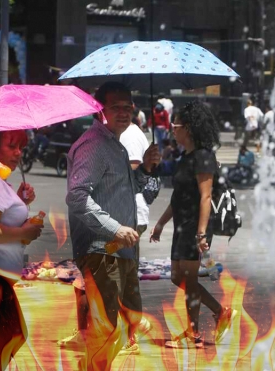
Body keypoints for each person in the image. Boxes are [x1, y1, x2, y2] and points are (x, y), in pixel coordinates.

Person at [66, 81, 160, 366]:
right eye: (116, 107)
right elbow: (77, 197)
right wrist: (115, 228)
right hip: (101, 249)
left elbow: (137, 190)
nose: (123, 113)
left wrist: (146, 167)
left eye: (128, 107)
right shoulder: (94, 146)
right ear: (100, 110)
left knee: (125, 322)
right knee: (105, 328)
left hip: (122, 249)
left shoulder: (115, 145)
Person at [150, 101, 237, 348]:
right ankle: (221, 312)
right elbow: (178, 198)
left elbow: (205, 196)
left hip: (194, 226)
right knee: (179, 277)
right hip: (180, 224)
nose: (172, 129)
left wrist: (201, 233)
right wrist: (161, 223)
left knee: (188, 280)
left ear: (187, 128)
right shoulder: (185, 156)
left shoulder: (203, 157)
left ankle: (193, 334)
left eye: (175, 125)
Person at [0, 130, 41, 369]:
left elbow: (1, 216)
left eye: (21, 148)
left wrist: (20, 202)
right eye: (11, 146)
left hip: (0, 276)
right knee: (7, 336)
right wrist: (24, 233)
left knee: (3, 338)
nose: (18, 153)